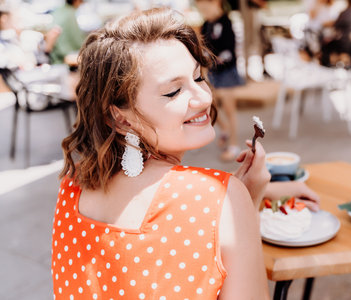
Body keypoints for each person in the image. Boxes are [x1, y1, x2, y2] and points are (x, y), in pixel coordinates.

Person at [51, 8, 273, 299]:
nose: (204, 97)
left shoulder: (72, 187)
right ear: (120, 117)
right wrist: (242, 202)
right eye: (173, 92)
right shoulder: (217, 197)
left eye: (198, 77)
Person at [196, 0, 245, 162]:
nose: (204, 13)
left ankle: (234, 144)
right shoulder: (206, 24)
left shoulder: (226, 22)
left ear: (217, 3)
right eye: (201, 10)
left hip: (227, 72)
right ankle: (224, 130)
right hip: (213, 73)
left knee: (230, 109)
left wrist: (211, 60)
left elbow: (229, 50)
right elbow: (204, 46)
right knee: (209, 105)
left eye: (205, 8)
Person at [319, 0, 351, 67]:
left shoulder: (345, 13)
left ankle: (326, 64)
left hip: (344, 43)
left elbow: (336, 26)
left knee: (325, 43)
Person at [49, 0, 86, 64]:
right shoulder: (70, 14)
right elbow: (77, 40)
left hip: (53, 56)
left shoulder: (58, 10)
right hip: (63, 58)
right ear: (76, 1)